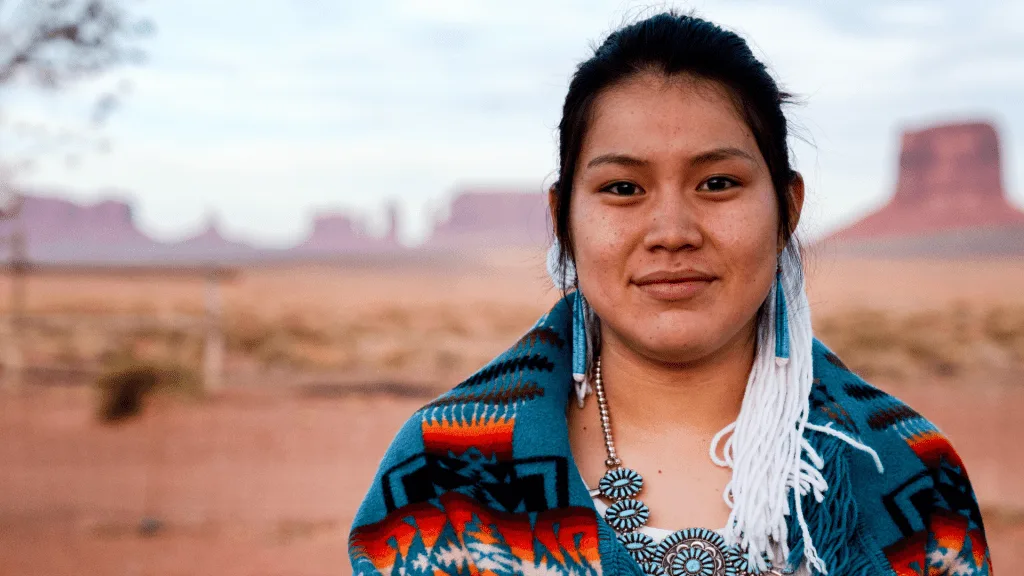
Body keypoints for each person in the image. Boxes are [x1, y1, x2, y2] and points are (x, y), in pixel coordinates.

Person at [348, 12, 992, 576]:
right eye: (623, 189)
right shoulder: (445, 477)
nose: (672, 233)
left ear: (787, 209)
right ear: (563, 219)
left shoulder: (910, 472)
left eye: (716, 183)